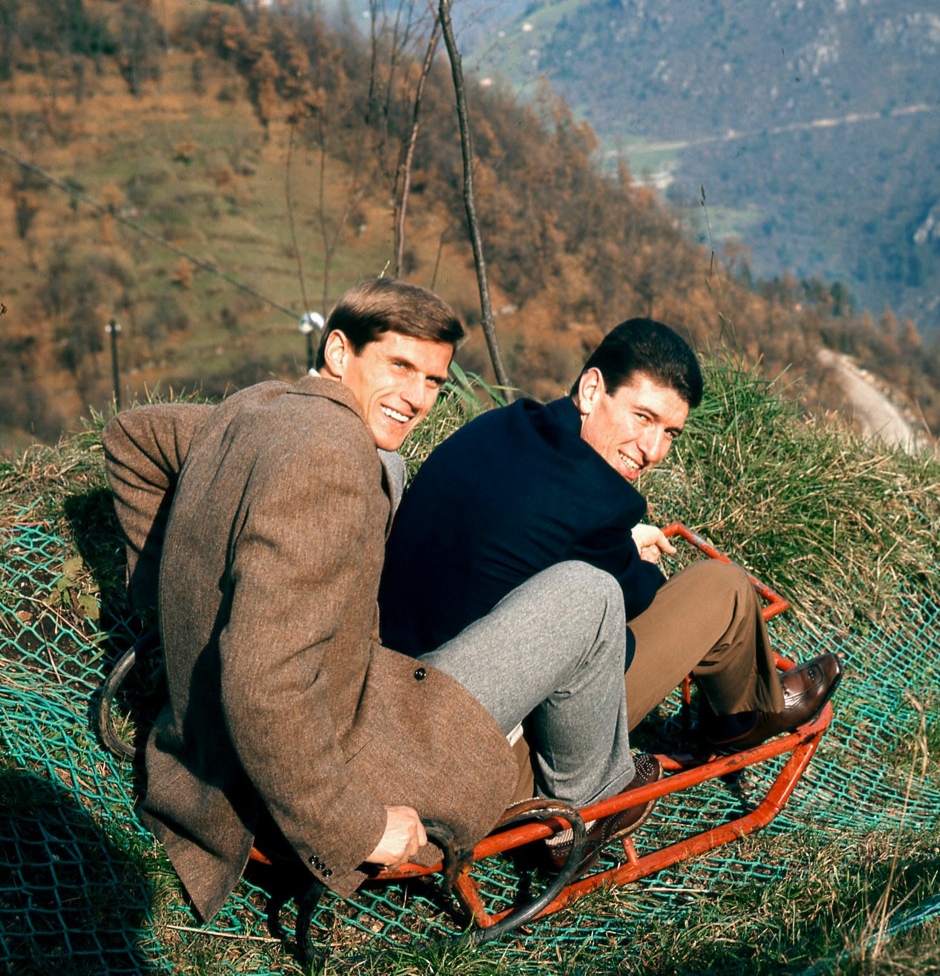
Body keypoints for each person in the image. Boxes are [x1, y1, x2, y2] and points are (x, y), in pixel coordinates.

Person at [102, 280, 654, 922]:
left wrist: (178, 605)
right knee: (588, 592)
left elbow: (131, 439)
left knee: (388, 469)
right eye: (400, 367)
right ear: (340, 352)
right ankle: (589, 807)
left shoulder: (261, 406)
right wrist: (357, 830)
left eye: (433, 381)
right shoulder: (330, 462)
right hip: (335, 775)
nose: (418, 399)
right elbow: (261, 687)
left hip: (240, 732)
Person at [379, 318, 843, 764]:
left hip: (392, 692)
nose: (653, 450)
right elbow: (636, 601)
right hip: (479, 752)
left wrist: (613, 544)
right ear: (592, 389)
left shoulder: (503, 426)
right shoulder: (598, 502)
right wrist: (628, 553)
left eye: (670, 433)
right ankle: (748, 712)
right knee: (724, 588)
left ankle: (744, 702)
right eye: (643, 417)